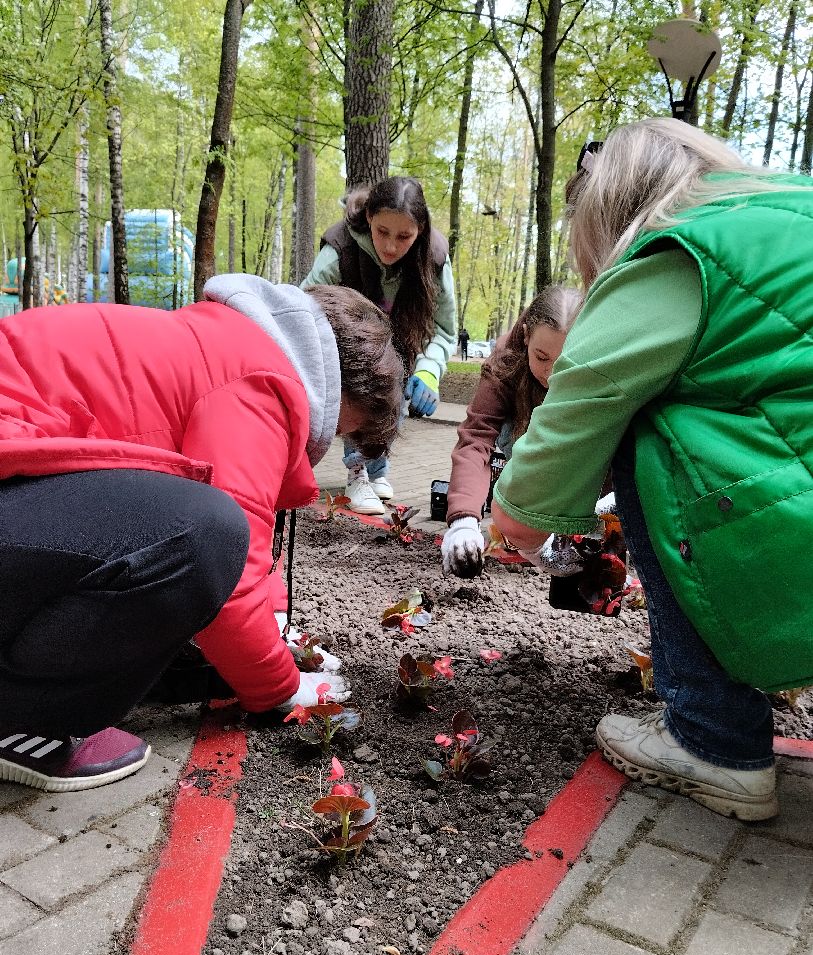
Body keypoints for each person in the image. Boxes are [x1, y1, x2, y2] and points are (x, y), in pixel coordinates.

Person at [491, 117, 813, 822]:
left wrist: (513, 520)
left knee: (652, 435)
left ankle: (713, 741)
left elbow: (559, 443)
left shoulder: (673, 256)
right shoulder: (792, 208)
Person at [0, 275, 403, 792]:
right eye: (349, 428)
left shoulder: (232, 346)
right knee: (204, 534)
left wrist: (276, 621)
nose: (334, 440)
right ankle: (26, 714)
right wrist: (284, 689)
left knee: (198, 539)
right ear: (341, 387)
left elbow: (247, 534)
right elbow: (229, 563)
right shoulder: (260, 383)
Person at [301, 176, 457, 515]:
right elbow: (304, 308)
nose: (390, 247)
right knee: (359, 394)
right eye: (382, 232)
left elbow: (445, 329)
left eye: (404, 237)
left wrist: (429, 373)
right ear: (369, 217)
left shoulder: (434, 258)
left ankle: (377, 470)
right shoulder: (340, 250)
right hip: (345, 346)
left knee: (394, 405)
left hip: (402, 343)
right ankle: (356, 474)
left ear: (420, 231)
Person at [441, 286, 582, 577]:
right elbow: (477, 435)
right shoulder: (507, 360)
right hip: (521, 436)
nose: (551, 374)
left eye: (566, 361)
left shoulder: (604, 366)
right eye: (541, 357)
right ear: (527, 336)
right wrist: (463, 520)